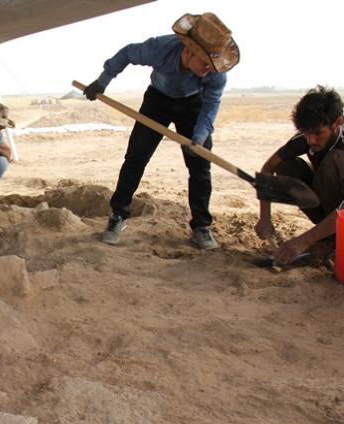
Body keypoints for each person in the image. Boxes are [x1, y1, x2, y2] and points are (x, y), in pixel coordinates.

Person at [83, 12, 240, 249]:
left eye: (212, 66)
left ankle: (201, 226)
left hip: (192, 106)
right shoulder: (160, 48)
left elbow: (211, 104)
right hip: (157, 101)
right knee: (136, 158)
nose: (210, 70)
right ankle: (118, 216)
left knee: (199, 166)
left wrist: (199, 137)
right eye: (205, 65)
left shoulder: (216, 72)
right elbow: (126, 53)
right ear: (189, 52)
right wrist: (102, 81)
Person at [255, 86, 344, 264]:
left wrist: (304, 240)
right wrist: (265, 217)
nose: (311, 140)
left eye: (318, 133)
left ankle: (335, 234)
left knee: (333, 160)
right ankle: (330, 235)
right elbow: (268, 167)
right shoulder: (306, 137)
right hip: (331, 210)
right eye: (306, 133)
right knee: (286, 166)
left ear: (338, 123)